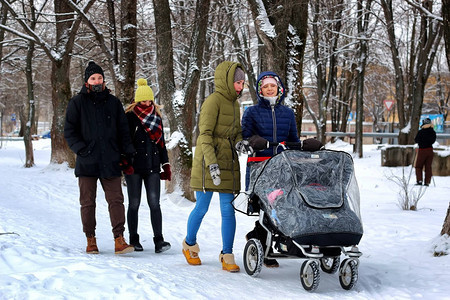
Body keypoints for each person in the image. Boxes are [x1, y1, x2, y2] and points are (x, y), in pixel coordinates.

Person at [237, 71, 323, 268]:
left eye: (272, 86)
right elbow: (245, 137)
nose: (269, 89)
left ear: (279, 89)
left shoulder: (288, 113)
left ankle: (278, 240)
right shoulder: (251, 112)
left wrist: (304, 146)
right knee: (266, 205)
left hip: (284, 166)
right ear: (260, 90)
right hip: (260, 165)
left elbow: (292, 140)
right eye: (265, 86)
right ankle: (263, 246)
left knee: (283, 204)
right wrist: (253, 141)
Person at [64, 61, 136, 254]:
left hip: (110, 160)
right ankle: (90, 239)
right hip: (87, 161)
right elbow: (69, 131)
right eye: (93, 78)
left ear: (104, 80)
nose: (97, 81)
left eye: (99, 78)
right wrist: (81, 149)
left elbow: (123, 131)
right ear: (87, 81)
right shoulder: (77, 103)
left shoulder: (113, 103)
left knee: (116, 200)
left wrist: (127, 154)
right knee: (88, 202)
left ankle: (119, 239)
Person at [182, 61, 245, 273]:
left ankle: (227, 254)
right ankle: (189, 244)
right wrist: (212, 165)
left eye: (242, 82)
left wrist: (240, 142)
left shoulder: (236, 104)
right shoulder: (212, 101)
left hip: (228, 161)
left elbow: (235, 132)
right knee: (202, 207)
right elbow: (205, 135)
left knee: (228, 210)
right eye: (237, 82)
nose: (240, 86)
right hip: (207, 161)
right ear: (227, 81)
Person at [123, 78, 171, 253]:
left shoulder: (156, 117)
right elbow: (124, 141)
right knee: (134, 204)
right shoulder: (130, 117)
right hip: (134, 168)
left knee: (155, 204)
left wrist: (165, 165)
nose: (147, 103)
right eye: (143, 100)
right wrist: (125, 162)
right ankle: (133, 239)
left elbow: (161, 143)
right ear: (137, 101)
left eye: (149, 100)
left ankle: (159, 241)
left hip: (152, 167)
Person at [414, 118, 436, 186]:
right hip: (430, 150)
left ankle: (419, 180)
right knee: (428, 167)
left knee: (418, 166)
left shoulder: (421, 132)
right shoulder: (433, 132)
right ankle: (427, 182)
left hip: (422, 150)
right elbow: (433, 141)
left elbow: (416, 140)